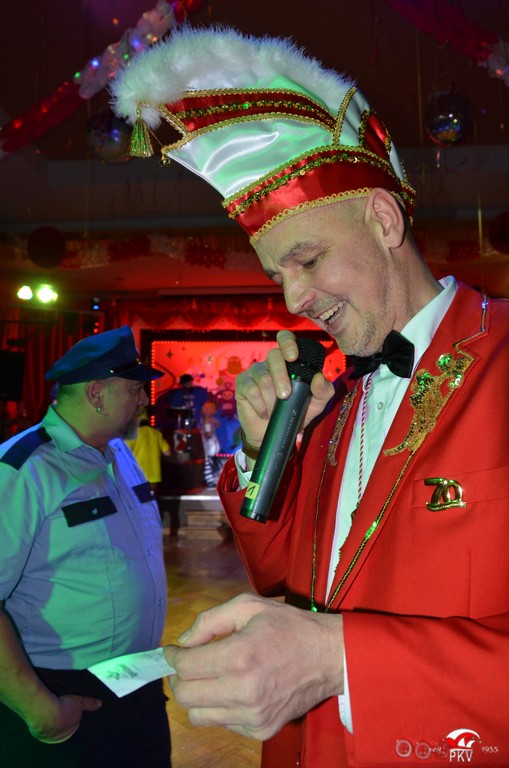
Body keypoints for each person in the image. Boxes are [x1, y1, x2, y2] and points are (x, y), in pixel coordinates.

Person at [112, 27, 509, 767]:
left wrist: (339, 661)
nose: (294, 299)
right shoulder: (335, 398)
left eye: (308, 259)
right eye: (279, 276)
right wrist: (262, 450)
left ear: (383, 219)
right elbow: (285, 581)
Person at [0, 326, 172, 768]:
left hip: (141, 685)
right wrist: (41, 711)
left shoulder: (120, 454)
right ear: (96, 393)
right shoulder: (20, 469)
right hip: (64, 695)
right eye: (135, 389)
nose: (144, 399)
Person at [125, 407, 171, 494]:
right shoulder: (156, 433)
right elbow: (167, 452)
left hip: (138, 475)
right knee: (150, 500)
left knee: (140, 500)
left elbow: (124, 451)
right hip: (154, 476)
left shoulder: (133, 434)